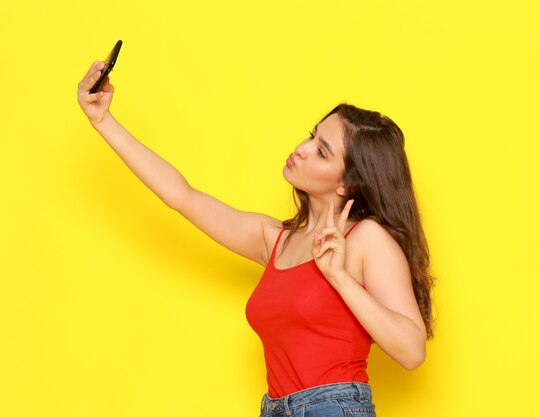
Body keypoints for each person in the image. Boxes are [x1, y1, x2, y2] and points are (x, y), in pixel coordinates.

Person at [77, 61, 435, 417]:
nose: (302, 148)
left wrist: (340, 278)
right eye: (311, 136)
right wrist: (102, 120)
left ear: (346, 183)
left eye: (322, 151)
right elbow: (182, 196)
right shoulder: (275, 240)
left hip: (333, 407)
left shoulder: (365, 239)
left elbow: (411, 351)